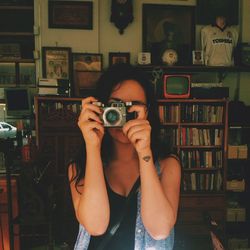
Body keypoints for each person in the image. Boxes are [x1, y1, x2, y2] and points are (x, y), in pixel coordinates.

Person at [68, 63, 181, 250]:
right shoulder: (79, 167)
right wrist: (93, 146)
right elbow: (95, 226)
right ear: (99, 108)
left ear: (148, 112)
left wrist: (144, 152)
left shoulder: (168, 165)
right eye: (115, 107)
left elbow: (160, 230)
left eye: (133, 109)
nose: (123, 116)